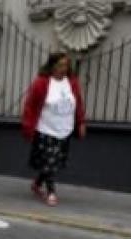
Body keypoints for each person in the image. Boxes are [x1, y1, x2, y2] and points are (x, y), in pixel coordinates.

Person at [21, 52, 87, 207]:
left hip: (64, 129)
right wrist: (27, 127)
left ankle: (37, 184)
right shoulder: (42, 83)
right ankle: (51, 192)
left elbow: (78, 104)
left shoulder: (72, 82)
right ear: (52, 66)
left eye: (66, 65)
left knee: (54, 162)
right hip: (46, 129)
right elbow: (30, 106)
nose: (64, 69)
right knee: (50, 161)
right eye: (60, 65)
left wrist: (81, 122)